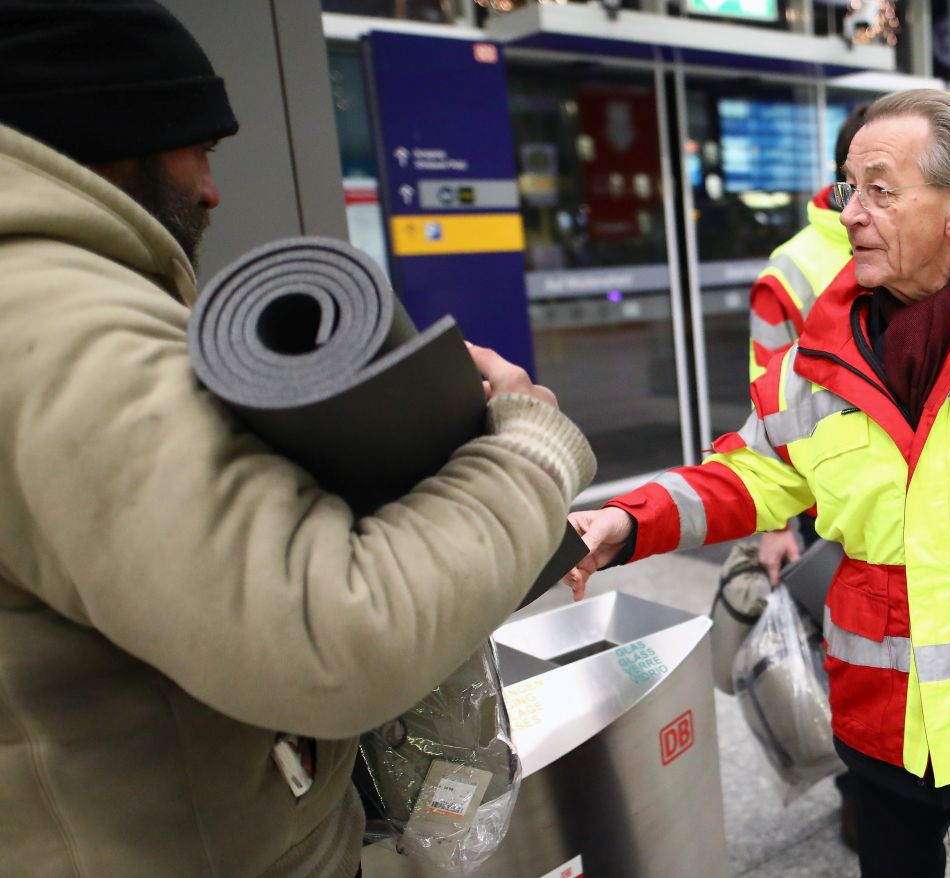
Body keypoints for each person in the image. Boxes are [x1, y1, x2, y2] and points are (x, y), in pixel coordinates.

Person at [0, 3, 595, 877]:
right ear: (113, 134)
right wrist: (531, 447)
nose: (208, 188)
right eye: (197, 149)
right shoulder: (59, 328)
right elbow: (333, 636)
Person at [568, 89, 950, 878]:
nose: (850, 211)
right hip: (879, 717)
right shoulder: (812, 362)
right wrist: (626, 519)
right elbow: (751, 472)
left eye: (881, 189)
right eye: (849, 186)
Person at [748, 101, 870, 852]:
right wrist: (770, 524)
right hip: (827, 502)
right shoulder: (794, 267)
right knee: (850, 651)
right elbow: (763, 394)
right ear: (846, 175)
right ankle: (862, 791)